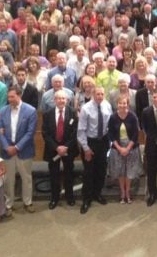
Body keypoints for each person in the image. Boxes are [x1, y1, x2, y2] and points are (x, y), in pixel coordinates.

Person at [0, 85, 37, 215]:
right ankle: (9, 204)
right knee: (8, 179)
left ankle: (27, 202)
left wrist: (17, 147)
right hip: (7, 150)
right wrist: (7, 147)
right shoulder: (3, 111)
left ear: (19, 95)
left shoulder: (30, 111)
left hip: (24, 150)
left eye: (12, 97)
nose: (9, 99)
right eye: (8, 97)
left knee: (26, 178)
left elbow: (30, 133)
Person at [78, 86, 112, 214]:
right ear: (93, 94)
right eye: (97, 94)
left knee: (101, 170)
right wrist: (86, 149)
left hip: (103, 141)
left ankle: (97, 193)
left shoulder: (107, 105)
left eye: (102, 94)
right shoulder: (86, 109)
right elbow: (81, 131)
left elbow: (110, 124)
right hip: (90, 142)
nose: (100, 96)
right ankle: (86, 199)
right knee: (88, 172)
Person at [42, 90, 78, 209]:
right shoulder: (48, 113)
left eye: (64, 99)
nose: (61, 101)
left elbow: (75, 132)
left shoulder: (73, 112)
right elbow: (45, 133)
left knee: (69, 174)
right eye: (59, 98)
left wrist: (66, 147)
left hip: (69, 149)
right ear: (54, 100)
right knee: (54, 175)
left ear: (67, 100)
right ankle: (54, 198)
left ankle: (70, 196)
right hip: (53, 149)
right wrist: (57, 147)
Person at [107, 95, 142, 204]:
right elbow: (111, 134)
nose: (122, 105)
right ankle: (122, 192)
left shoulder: (132, 116)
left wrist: (127, 148)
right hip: (117, 147)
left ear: (128, 104)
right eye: (120, 103)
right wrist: (119, 148)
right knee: (120, 171)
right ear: (117, 105)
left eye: (124, 103)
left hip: (131, 147)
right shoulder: (113, 117)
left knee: (129, 171)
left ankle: (128, 191)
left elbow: (136, 134)